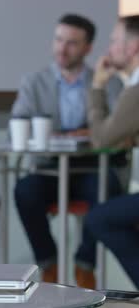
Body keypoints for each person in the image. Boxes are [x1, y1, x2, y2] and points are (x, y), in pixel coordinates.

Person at [12, 13, 124, 288]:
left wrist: (88, 133)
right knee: (24, 191)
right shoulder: (34, 82)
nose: (62, 48)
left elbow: (117, 126)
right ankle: (48, 262)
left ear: (87, 48)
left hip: (91, 167)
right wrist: (46, 133)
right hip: (48, 168)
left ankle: (85, 263)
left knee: (108, 188)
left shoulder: (107, 82)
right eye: (59, 40)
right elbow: (19, 121)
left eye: (72, 43)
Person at [85, 14, 139, 289]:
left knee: (100, 218)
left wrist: (97, 87)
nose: (109, 48)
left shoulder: (136, 91)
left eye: (115, 40)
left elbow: (101, 139)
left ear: (134, 47)